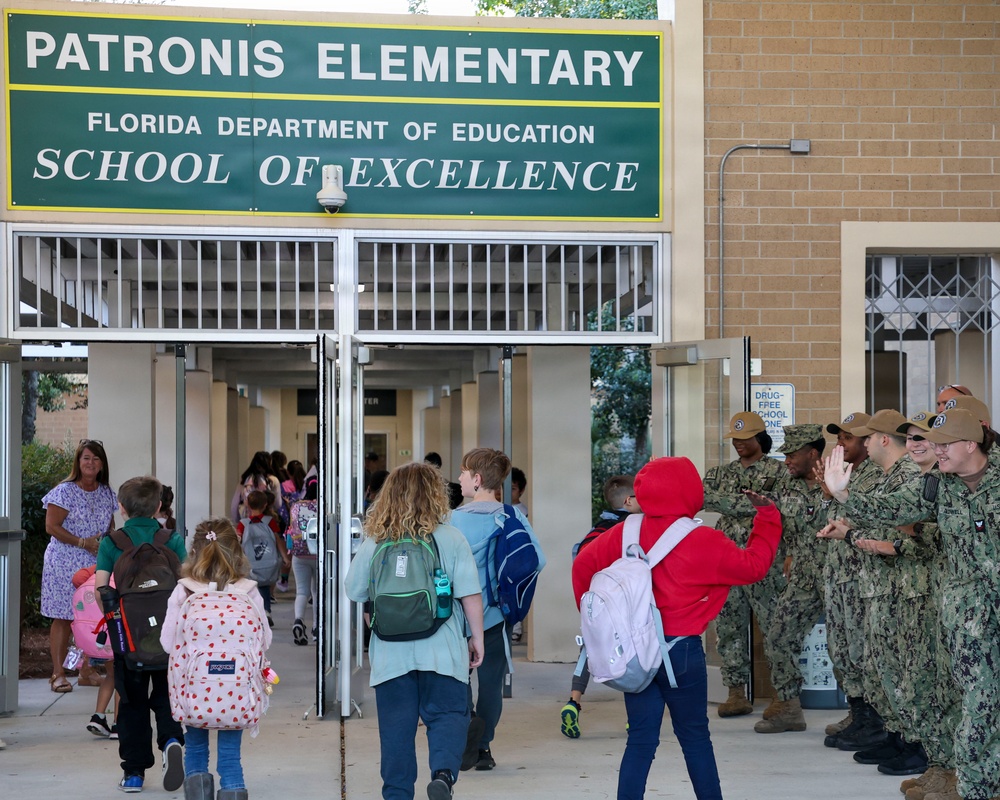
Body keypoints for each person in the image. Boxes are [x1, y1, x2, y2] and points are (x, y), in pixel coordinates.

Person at [571, 456, 782, 800]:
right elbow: (754, 566)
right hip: (680, 650)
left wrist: (598, 620)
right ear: (688, 491)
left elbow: (582, 565)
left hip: (636, 652)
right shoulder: (702, 539)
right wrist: (768, 518)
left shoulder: (625, 531)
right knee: (695, 737)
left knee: (640, 739)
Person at [825, 408, 997, 800]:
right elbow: (890, 510)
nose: (934, 451)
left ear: (970, 444)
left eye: (943, 444)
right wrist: (842, 493)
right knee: (977, 701)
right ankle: (976, 787)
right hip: (969, 618)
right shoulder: (937, 484)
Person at [345, 462, 485, 800]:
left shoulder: (376, 540)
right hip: (442, 649)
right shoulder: (450, 537)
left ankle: (396, 793)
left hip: (391, 654)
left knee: (396, 732)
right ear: (435, 494)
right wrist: (477, 638)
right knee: (449, 715)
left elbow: (354, 590)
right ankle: (442, 775)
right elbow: (469, 593)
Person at [819, 411, 922, 756]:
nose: (860, 442)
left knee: (900, 665)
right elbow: (867, 519)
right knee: (875, 662)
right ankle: (887, 731)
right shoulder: (883, 475)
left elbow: (894, 525)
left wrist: (849, 520)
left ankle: (909, 741)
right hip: (873, 580)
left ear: (881, 439)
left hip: (900, 585)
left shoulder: (908, 475)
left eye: (865, 436)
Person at [161, 517, 271, 800]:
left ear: (194, 552)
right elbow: (264, 640)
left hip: (195, 690)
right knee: (231, 758)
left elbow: (166, 642)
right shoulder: (249, 590)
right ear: (238, 552)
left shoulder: (184, 590)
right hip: (236, 692)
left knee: (196, 749)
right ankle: (233, 791)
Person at [450, 448, 546, 772]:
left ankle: (466, 731)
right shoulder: (513, 516)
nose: (460, 478)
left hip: (455, 618)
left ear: (476, 480)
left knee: (458, 680)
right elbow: (538, 560)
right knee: (491, 686)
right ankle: (483, 747)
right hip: (494, 617)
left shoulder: (451, 521)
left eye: (463, 473)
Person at [95, 475, 187, 794]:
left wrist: (117, 620)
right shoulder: (171, 539)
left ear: (121, 508)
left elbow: (101, 590)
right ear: (159, 507)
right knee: (166, 697)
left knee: (132, 704)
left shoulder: (112, 543)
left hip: (128, 640)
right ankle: (172, 740)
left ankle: (133, 773)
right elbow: (186, 587)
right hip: (168, 638)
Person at [701, 411, 790, 717]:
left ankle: (784, 696)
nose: (739, 444)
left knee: (775, 628)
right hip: (727, 561)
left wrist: (725, 501)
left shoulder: (780, 473)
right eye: (735, 439)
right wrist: (746, 504)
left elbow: (768, 507)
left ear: (760, 438)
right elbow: (701, 496)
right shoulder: (719, 473)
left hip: (766, 560)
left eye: (745, 438)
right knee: (728, 626)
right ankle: (736, 692)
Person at [753, 424, 826, 734]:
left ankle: (867, 717)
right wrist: (786, 551)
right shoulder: (785, 485)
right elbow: (775, 522)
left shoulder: (841, 479)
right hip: (802, 578)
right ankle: (788, 706)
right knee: (779, 634)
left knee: (851, 648)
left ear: (813, 454)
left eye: (793, 455)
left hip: (841, 576)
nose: (787, 461)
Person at [818, 412, 882, 742]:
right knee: (841, 650)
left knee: (862, 651)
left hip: (863, 577)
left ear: (868, 441)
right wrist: (826, 493)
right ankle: (857, 714)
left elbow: (874, 521)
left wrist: (838, 493)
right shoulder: (840, 473)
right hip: (838, 575)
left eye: (848, 437)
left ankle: (874, 721)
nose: (840, 442)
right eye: (839, 436)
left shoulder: (876, 477)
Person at [561, 474, 640, 739]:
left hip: (597, 605)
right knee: (634, 653)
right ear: (629, 500)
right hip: (627, 606)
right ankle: (634, 717)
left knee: (589, 649)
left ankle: (573, 701)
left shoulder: (595, 531)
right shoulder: (632, 530)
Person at [41, 438, 117, 694]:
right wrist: (83, 542)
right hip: (64, 561)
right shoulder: (64, 491)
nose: (91, 463)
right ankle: (58, 673)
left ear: (102, 464)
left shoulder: (106, 492)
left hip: (95, 560)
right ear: (78, 461)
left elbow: (110, 526)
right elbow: (51, 526)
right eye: (86, 458)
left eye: (96, 459)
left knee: (90, 616)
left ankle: (86, 671)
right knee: (63, 616)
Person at [237, 490, 290, 624]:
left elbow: (237, 541)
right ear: (265, 505)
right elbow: (278, 540)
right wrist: (285, 557)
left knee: (249, 588)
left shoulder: (243, 524)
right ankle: (266, 611)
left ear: (247, 504)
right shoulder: (269, 521)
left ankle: (252, 613)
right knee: (264, 587)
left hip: (249, 562)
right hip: (267, 562)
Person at [289, 479, 318, 646]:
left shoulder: (296, 506)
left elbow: (291, 527)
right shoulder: (323, 507)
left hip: (299, 554)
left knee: (302, 592)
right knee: (317, 592)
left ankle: (298, 620)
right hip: (318, 554)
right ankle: (316, 628)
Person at [230, 451, 282, 524]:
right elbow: (278, 504)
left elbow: (234, 505)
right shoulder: (272, 480)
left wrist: (237, 521)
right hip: (266, 520)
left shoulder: (245, 480)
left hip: (247, 520)